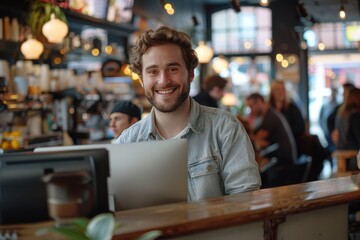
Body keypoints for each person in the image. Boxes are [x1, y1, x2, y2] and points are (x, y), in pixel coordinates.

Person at [114, 26, 261, 201]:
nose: (163, 80)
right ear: (141, 79)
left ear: (190, 73)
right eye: (153, 71)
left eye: (173, 69)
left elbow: (245, 204)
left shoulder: (225, 128)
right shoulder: (127, 143)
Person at [246, 93, 297, 188]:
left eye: (252, 106)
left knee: (255, 172)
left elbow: (257, 140)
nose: (251, 110)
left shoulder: (270, 118)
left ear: (259, 102)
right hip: (276, 156)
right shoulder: (268, 115)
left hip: (282, 161)